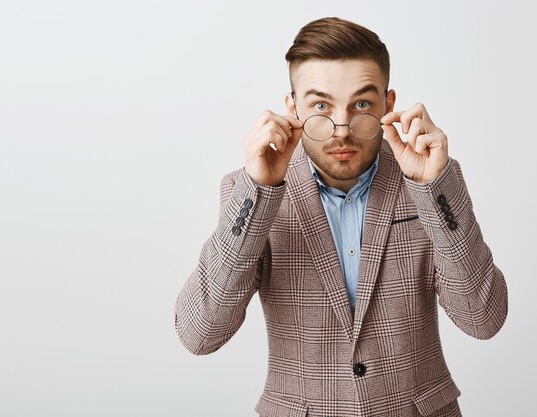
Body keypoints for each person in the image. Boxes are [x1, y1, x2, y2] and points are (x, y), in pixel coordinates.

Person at [174, 16, 507, 417]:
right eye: (320, 106)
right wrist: (258, 192)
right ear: (292, 108)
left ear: (388, 104)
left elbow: (483, 319)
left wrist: (433, 187)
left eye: (362, 104)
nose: (342, 129)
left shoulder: (427, 185)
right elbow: (199, 333)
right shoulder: (251, 194)